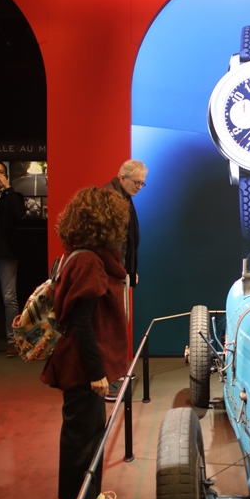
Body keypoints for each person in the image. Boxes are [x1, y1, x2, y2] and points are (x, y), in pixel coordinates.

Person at [40, 186, 134, 499]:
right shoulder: (89, 261)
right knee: (80, 438)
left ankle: (89, 498)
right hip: (81, 366)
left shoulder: (82, 256)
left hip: (85, 363)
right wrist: (96, 373)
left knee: (92, 433)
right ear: (104, 223)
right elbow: (81, 322)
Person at [103, 159, 148, 401]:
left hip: (119, 273)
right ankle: (106, 379)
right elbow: (110, 244)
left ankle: (113, 373)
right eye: (136, 182)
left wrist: (130, 270)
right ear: (122, 177)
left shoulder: (123, 197)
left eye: (142, 184)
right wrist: (121, 271)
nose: (139, 187)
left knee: (118, 325)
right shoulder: (110, 198)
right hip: (110, 276)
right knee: (110, 327)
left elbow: (127, 242)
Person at [0, 161, 26, 357]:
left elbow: (19, 213)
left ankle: (12, 340)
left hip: (6, 254)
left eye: (0, 172)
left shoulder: (13, 197)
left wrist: (8, 188)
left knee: (9, 298)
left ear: (6, 176)